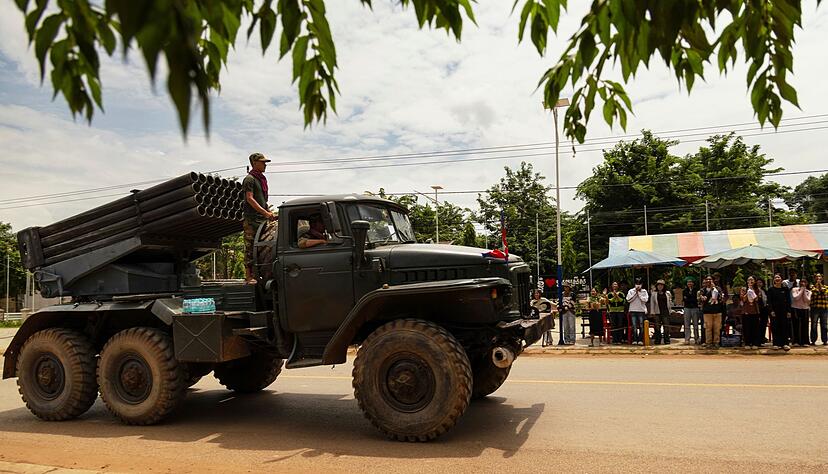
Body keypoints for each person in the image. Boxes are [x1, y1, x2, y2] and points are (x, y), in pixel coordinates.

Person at [242, 152, 277, 284]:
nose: (265, 165)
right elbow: (249, 199)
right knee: (250, 248)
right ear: (254, 163)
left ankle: (260, 274)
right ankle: (249, 276)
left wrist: (268, 212)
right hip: (252, 220)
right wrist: (265, 213)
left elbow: (262, 200)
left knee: (262, 248)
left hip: (262, 219)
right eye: (262, 162)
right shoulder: (250, 179)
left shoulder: (261, 179)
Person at [766, 273, 791, 351]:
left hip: (784, 311)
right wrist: (771, 311)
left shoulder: (785, 289)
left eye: (778, 277)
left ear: (781, 279)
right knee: (775, 327)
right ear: (774, 280)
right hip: (774, 312)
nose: (777, 279)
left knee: (784, 327)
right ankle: (776, 344)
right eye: (775, 277)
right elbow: (769, 301)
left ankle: (785, 344)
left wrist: (789, 311)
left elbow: (788, 301)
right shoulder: (770, 289)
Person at [699, 276, 722, 348]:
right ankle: (708, 343)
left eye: (710, 279)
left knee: (717, 328)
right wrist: (710, 290)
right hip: (707, 312)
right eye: (707, 279)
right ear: (705, 281)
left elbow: (720, 298)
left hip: (717, 311)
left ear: (713, 280)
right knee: (708, 328)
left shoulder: (718, 289)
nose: (708, 280)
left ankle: (716, 342)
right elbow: (704, 299)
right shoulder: (703, 290)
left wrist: (714, 289)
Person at [648, 279, 673, 345]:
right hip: (657, 312)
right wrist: (652, 312)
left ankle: (667, 340)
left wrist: (670, 310)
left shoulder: (667, 293)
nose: (660, 286)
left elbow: (670, 302)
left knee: (666, 327)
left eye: (661, 285)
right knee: (657, 327)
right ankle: (657, 340)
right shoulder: (654, 294)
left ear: (664, 286)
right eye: (659, 285)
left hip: (665, 312)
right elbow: (652, 303)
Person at [626, 278, 649, 345]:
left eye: (639, 284)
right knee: (634, 326)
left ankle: (640, 339)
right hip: (633, 310)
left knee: (641, 326)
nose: (638, 285)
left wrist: (639, 293)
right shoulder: (631, 291)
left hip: (641, 310)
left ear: (642, 285)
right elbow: (628, 300)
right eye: (636, 284)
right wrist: (635, 293)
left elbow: (645, 300)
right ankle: (635, 339)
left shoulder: (644, 291)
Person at [741, 276, 762, 349]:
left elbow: (757, 299)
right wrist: (748, 291)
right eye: (749, 279)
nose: (750, 281)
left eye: (752, 279)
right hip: (746, 311)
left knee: (755, 328)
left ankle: (755, 343)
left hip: (755, 311)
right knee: (747, 328)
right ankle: (747, 343)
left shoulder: (757, 289)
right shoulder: (744, 289)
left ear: (755, 281)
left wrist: (752, 291)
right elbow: (743, 299)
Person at [790, 276, 811, 347]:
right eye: (802, 282)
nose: (803, 283)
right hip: (795, 308)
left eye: (805, 282)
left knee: (805, 325)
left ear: (807, 283)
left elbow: (807, 300)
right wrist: (801, 290)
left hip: (805, 309)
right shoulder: (794, 289)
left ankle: (805, 341)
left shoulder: (809, 291)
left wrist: (804, 291)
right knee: (796, 325)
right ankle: (796, 341)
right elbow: (796, 298)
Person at [810, 274, 828, 345]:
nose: (818, 278)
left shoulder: (826, 287)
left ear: (822, 279)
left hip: (824, 308)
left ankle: (825, 340)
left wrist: (819, 289)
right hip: (815, 308)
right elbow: (814, 293)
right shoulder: (812, 287)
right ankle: (813, 340)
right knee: (813, 325)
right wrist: (818, 289)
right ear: (815, 279)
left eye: (819, 277)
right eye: (817, 277)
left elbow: (825, 295)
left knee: (824, 325)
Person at [682, 278, 702, 345]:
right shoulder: (684, 291)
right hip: (687, 308)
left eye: (691, 282)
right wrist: (690, 298)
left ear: (693, 283)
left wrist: (689, 298)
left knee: (695, 324)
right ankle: (687, 339)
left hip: (695, 308)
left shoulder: (697, 291)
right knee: (687, 324)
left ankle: (697, 338)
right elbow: (685, 299)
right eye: (688, 282)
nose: (689, 284)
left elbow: (696, 299)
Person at [756, 277, 770, 345]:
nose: (759, 283)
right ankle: (757, 340)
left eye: (760, 282)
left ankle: (762, 339)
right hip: (757, 310)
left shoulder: (765, 290)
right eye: (758, 282)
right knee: (758, 325)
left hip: (764, 310)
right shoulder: (755, 290)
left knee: (763, 324)